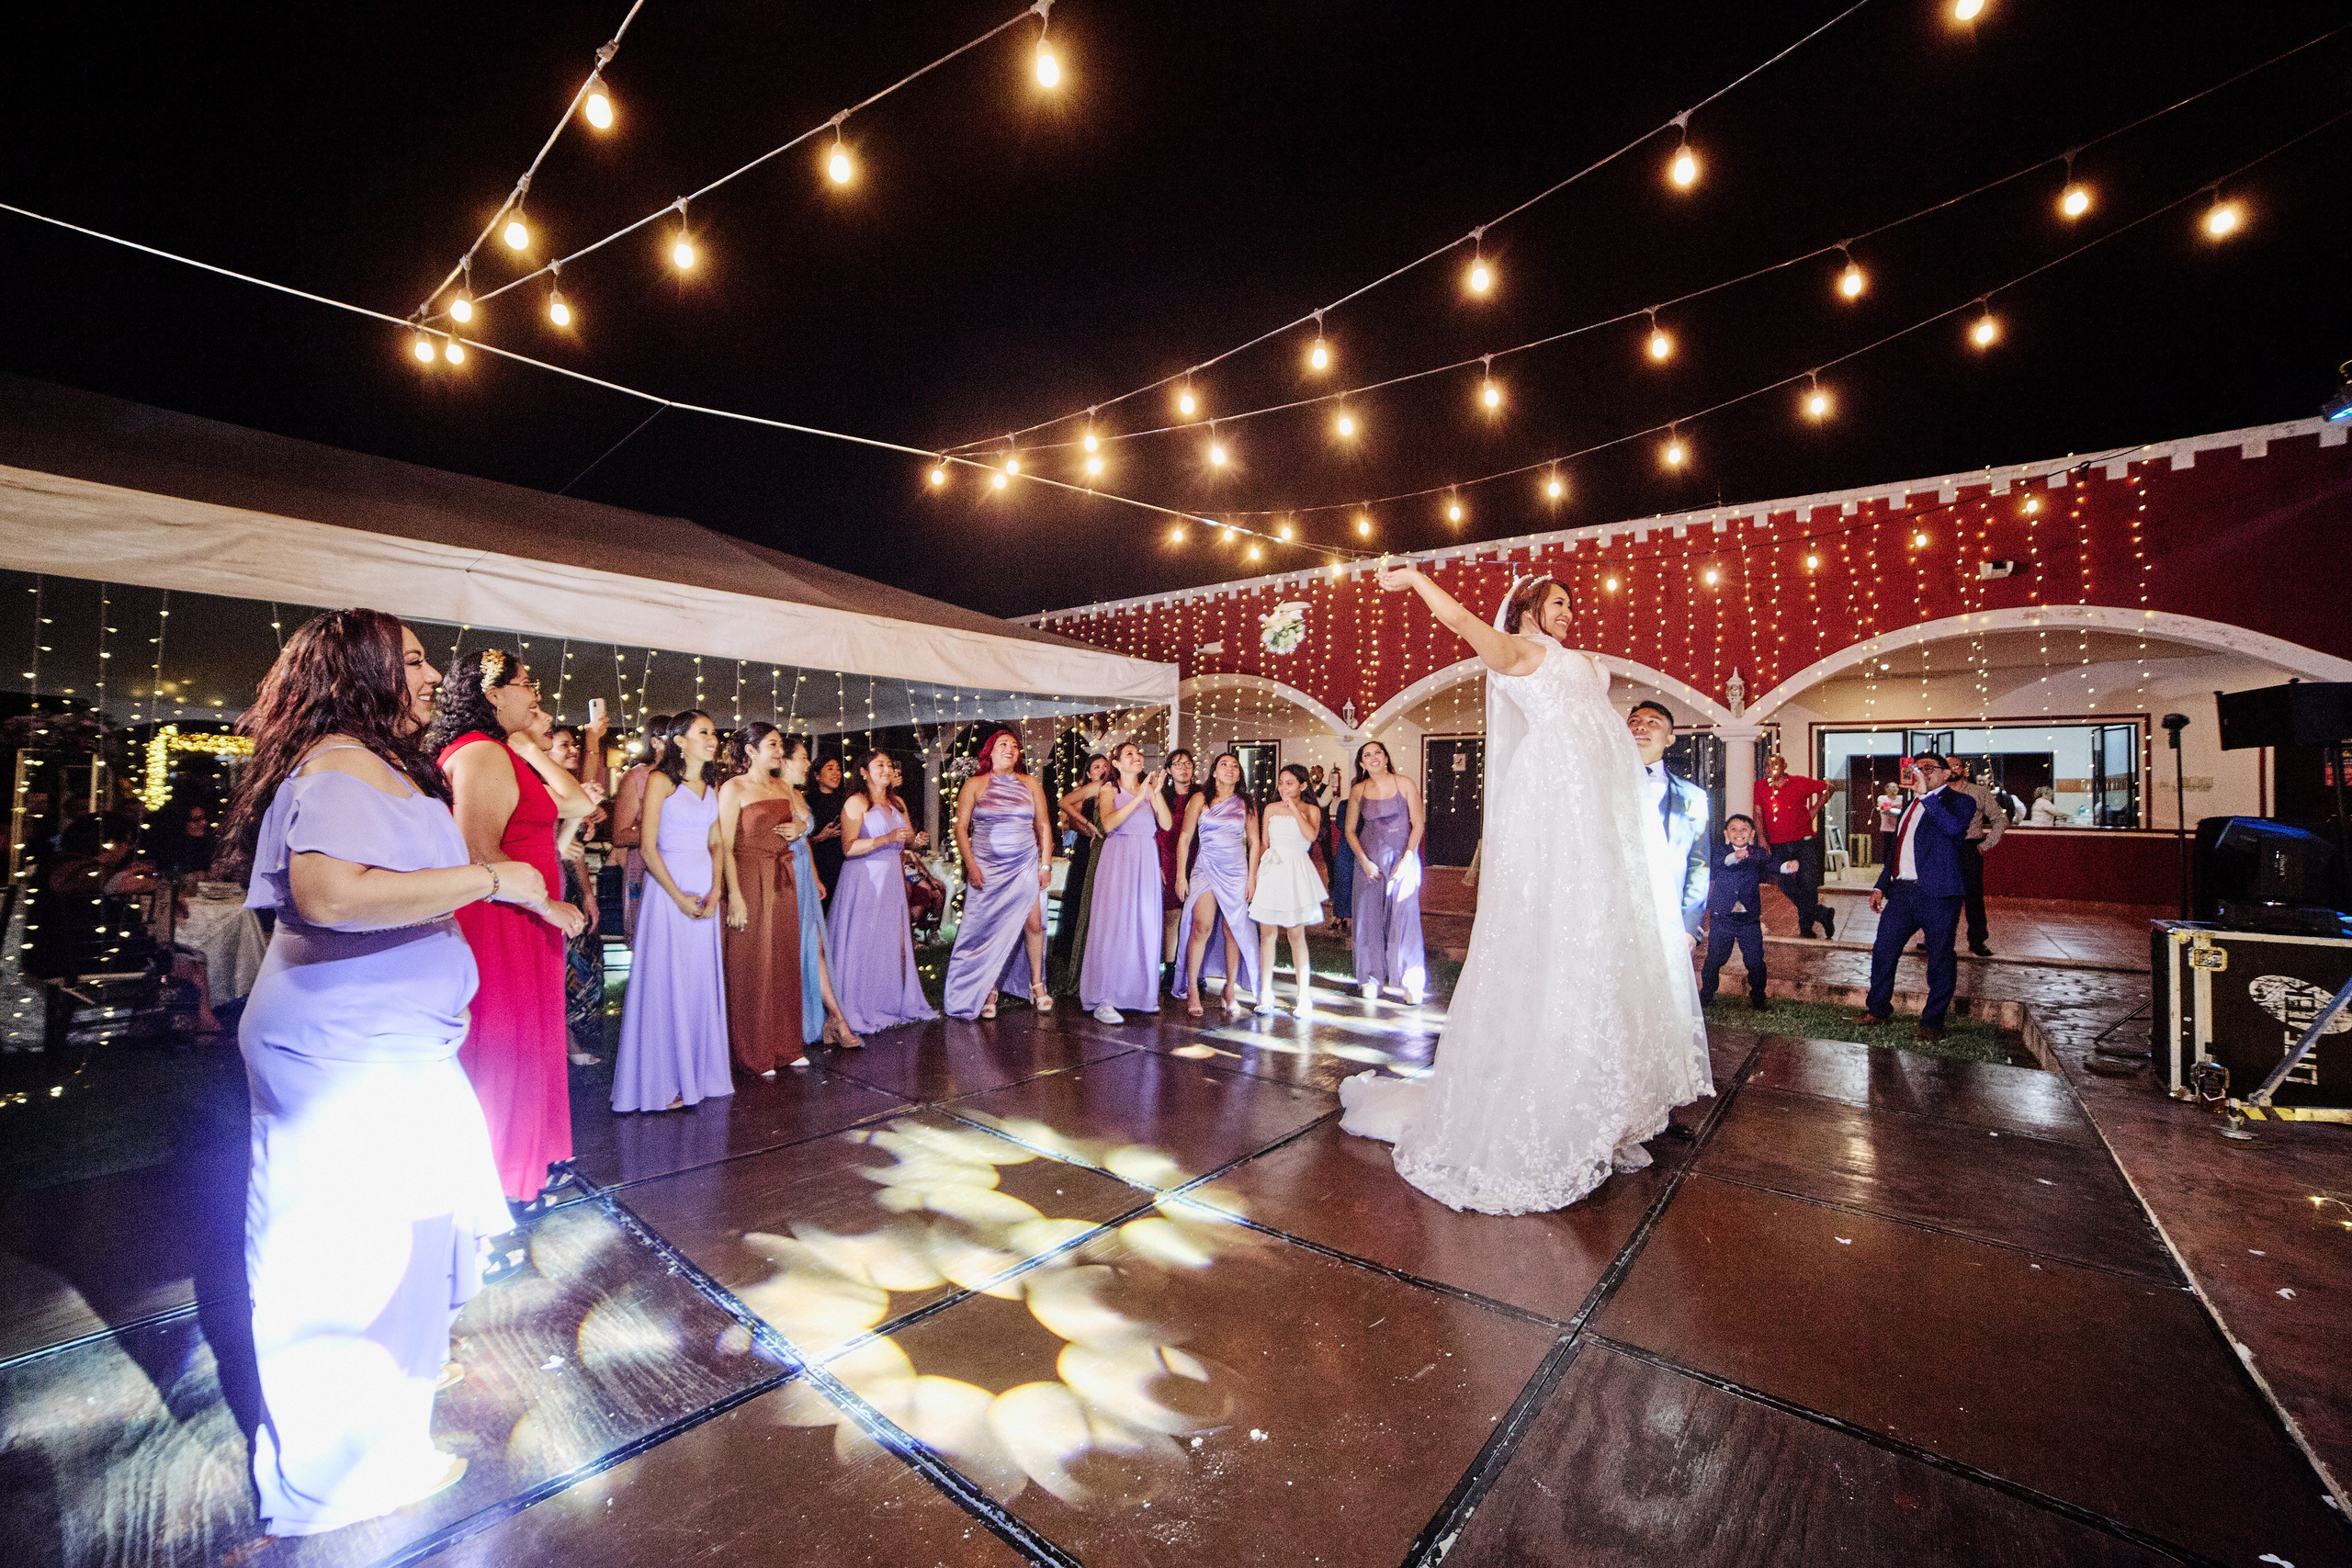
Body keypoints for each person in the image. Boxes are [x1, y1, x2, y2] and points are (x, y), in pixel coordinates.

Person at [221, 608, 561, 1536]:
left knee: (398, 1249)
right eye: (409, 660)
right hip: (341, 1053)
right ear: (362, 672)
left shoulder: (379, 765)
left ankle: (386, 1434)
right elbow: (329, 896)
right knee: (339, 1267)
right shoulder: (335, 762)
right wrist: (492, 882)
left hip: (389, 1047)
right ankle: (337, 1481)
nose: (425, 676)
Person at [1340, 567, 1710, 1215]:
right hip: (1553, 810)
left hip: (1599, 814)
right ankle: (1548, 1109)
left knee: (1602, 943)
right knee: (1554, 935)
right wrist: (1417, 580)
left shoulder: (1587, 666)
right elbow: (1459, 621)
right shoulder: (1520, 654)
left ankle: (1608, 1108)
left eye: (1573, 602)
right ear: (1531, 612)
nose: (1571, 611)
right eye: (1559, 603)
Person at [429, 650, 591, 1211]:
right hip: (502, 921)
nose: (537, 701)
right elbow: (478, 851)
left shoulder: (503, 751)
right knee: (503, 1047)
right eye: (528, 688)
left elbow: (576, 804)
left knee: (527, 1043)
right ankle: (497, 1180)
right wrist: (548, 905)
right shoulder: (479, 753)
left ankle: (522, 1166)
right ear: (492, 694)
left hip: (522, 917)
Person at [611, 712, 732, 1111]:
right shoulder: (661, 781)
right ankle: (662, 1080)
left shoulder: (710, 785)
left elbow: (716, 843)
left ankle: (697, 1073)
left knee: (698, 980)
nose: (712, 739)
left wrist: (716, 889)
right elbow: (647, 848)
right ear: (679, 741)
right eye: (704, 733)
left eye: (713, 733)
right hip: (669, 891)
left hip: (704, 888)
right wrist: (680, 898)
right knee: (668, 980)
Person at [1849, 754, 1975, 1042]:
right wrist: (1881, 885)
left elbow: (1954, 830)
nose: (1921, 772)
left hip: (1939, 894)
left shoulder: (1961, 802)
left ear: (1945, 774)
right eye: (1916, 768)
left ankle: (1932, 1021)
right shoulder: (1907, 805)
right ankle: (1878, 1009)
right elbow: (1897, 848)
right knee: (1883, 951)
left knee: (1940, 957)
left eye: (1929, 768)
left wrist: (1928, 797)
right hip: (1902, 893)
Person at [944, 728, 1056, 1019]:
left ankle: (1036, 983)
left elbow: (1043, 826)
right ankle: (988, 986)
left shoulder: (1030, 783)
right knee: (987, 929)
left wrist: (1045, 865)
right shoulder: (975, 784)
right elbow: (960, 828)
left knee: (1034, 923)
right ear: (990, 752)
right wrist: (971, 865)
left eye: (1015, 746)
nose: (1010, 748)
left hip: (1024, 863)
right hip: (987, 867)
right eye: (1003, 744)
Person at [828, 750, 939, 1035]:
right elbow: (849, 848)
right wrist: (886, 839)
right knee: (865, 942)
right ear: (864, 771)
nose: (887, 769)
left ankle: (890, 1001)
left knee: (896, 944)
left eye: (890, 764)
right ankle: (857, 1005)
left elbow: (907, 840)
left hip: (892, 878)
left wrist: (916, 841)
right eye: (880, 764)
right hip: (864, 878)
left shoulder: (897, 802)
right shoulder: (857, 802)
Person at [717, 722, 805, 1077]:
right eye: (772, 744)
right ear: (751, 750)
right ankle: (752, 1050)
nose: (779, 751)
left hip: (782, 877)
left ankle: (786, 1046)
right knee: (751, 962)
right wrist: (734, 895)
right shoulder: (733, 788)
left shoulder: (783, 785)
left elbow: (803, 819)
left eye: (780, 744)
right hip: (748, 877)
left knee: (783, 956)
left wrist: (799, 828)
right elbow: (722, 844)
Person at [1078, 742, 1170, 1024]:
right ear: (1116, 763)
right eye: (1129, 754)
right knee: (1114, 925)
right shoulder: (1110, 790)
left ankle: (1141, 994)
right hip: (1119, 858)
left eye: (1139, 753)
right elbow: (1109, 824)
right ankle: (1105, 998)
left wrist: (1154, 794)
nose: (1137, 757)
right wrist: (1138, 796)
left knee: (1143, 924)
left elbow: (1165, 824)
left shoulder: (1149, 789)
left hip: (1145, 859)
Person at [1173, 750, 1261, 1019]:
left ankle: (1229, 989)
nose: (1230, 768)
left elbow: (1255, 842)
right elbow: (1185, 837)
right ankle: (1193, 988)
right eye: (1224, 764)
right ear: (1214, 772)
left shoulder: (1246, 802)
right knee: (1202, 926)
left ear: (1239, 773)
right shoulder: (1200, 798)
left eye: (1235, 765)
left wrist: (1252, 878)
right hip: (1206, 868)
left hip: (1236, 871)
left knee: (1233, 930)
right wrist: (1180, 875)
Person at [543, 719, 608, 1066]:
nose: (572, 751)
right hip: (544, 886)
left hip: (569, 885)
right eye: (564, 745)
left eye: (574, 745)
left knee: (583, 968)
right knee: (557, 969)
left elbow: (576, 851)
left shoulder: (569, 789)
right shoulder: (540, 788)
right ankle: (565, 1043)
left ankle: (574, 1037)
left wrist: (587, 893)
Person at [1344, 739, 1428, 1004]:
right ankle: (1371, 978)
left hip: (1403, 860)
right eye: (1367, 755)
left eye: (1377, 752)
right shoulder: (1358, 790)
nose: (1373, 758)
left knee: (1405, 919)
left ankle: (1411, 981)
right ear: (1361, 763)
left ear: (1386, 756)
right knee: (1368, 919)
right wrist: (1365, 861)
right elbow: (1348, 830)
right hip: (1369, 863)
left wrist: (1408, 858)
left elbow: (1418, 824)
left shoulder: (1405, 783)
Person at [1250, 763, 1328, 1018]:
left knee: (1296, 934)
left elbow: (1311, 837)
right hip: (1272, 870)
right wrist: (1257, 875)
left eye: (1289, 783)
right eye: (1281, 782)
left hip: (1296, 871)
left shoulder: (1312, 809)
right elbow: (1263, 843)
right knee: (1267, 935)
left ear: (1303, 785)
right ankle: (1265, 993)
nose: (1283, 787)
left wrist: (1295, 810)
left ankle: (1303, 996)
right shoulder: (1270, 809)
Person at [1627, 699, 1710, 938]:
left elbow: (1699, 865)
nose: (1641, 727)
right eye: (1634, 722)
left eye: (1653, 723)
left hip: (1667, 918)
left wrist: (1688, 926)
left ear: (1669, 740)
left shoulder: (1693, 796)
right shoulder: (1597, 785)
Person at [1753, 753, 1836, 940]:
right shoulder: (1760, 786)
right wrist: (1761, 837)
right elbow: (1758, 813)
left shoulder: (1799, 782)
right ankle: (1822, 913)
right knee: (1784, 884)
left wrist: (1814, 809)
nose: (1769, 768)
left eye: (1774, 764)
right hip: (1777, 843)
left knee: (1807, 884)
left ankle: (1806, 928)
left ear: (1784, 766)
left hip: (1803, 840)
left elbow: (1829, 787)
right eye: (1766, 764)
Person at [607, 715, 673, 942]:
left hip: (683, 865)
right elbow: (619, 835)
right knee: (651, 938)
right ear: (655, 742)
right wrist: (660, 831)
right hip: (646, 866)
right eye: (673, 737)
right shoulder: (637, 777)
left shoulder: (689, 778)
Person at [1699, 816, 1771, 1010]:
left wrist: (1785, 867)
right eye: (1733, 829)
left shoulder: (1757, 853)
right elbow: (1716, 865)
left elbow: (1769, 863)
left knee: (1755, 960)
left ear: (1752, 834)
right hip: (1722, 918)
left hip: (1749, 920)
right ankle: (1706, 994)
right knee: (1715, 958)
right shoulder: (1720, 853)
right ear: (1726, 833)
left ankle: (1758, 995)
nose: (1739, 833)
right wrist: (1734, 857)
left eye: (1744, 829)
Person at [1052, 753, 1111, 968]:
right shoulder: (1084, 793)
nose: (1101, 769)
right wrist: (1088, 827)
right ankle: (1073, 946)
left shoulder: (1110, 789)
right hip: (1086, 849)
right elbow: (1070, 818)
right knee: (1080, 896)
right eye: (1096, 767)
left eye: (1105, 765)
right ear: (1088, 772)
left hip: (1106, 848)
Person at [1948, 758, 2007, 957]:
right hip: (1943, 849)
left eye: (1955, 766)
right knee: (1940, 896)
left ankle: (1977, 940)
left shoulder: (1978, 792)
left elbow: (2000, 819)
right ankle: (1936, 938)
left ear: (1963, 770)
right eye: (1947, 766)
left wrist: (1985, 845)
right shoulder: (1937, 793)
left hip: (1968, 847)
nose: (1951, 770)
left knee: (1973, 897)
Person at [1157, 748, 1198, 971]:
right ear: (1169, 770)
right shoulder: (1162, 797)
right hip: (1169, 860)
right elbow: (1153, 831)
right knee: (1171, 915)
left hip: (1198, 858)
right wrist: (1157, 863)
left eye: (1187, 763)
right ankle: (1170, 966)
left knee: (1197, 916)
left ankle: (1193, 967)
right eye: (1178, 764)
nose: (1183, 768)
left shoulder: (1202, 795)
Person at [807, 753, 848, 901]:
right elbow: (801, 840)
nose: (836, 773)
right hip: (819, 863)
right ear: (817, 776)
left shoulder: (846, 800)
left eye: (838, 769)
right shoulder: (807, 801)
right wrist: (820, 837)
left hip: (842, 860)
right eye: (830, 769)